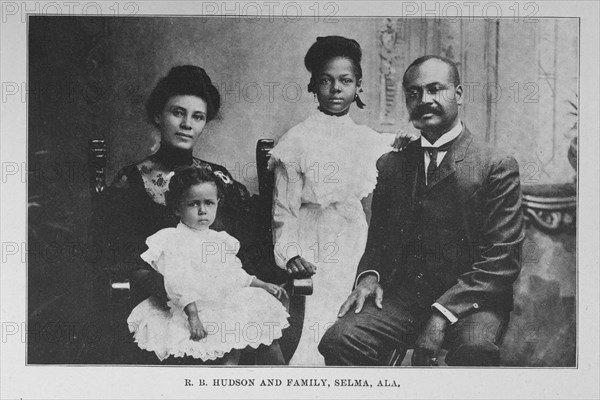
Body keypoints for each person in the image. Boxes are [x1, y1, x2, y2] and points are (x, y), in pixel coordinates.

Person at [318, 55, 524, 366]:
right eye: (413, 93)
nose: (424, 100)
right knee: (339, 341)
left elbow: (502, 259)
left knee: (475, 350)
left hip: (472, 302)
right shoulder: (392, 164)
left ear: (459, 93)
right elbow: (379, 241)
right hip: (404, 300)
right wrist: (369, 277)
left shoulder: (495, 165)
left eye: (435, 89)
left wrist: (442, 315)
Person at [91, 65, 267, 363]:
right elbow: (118, 256)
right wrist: (174, 294)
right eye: (178, 113)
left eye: (197, 117)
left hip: (219, 300)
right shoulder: (132, 180)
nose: (187, 124)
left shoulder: (218, 179)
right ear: (158, 116)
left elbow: (246, 247)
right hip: (160, 302)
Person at [269, 36, 409, 365]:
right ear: (313, 86)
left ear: (358, 87)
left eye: (345, 81)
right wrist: (291, 255)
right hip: (311, 242)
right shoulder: (296, 141)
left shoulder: (367, 140)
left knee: (359, 315)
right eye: (326, 81)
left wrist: (409, 145)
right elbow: (283, 213)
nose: (336, 89)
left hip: (355, 241)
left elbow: (400, 152)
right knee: (317, 327)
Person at [127, 166, 289, 364]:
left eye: (209, 203)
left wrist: (261, 284)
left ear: (217, 204)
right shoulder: (172, 239)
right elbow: (176, 281)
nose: (203, 210)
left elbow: (232, 273)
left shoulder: (219, 239)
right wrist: (193, 315)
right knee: (225, 347)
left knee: (264, 335)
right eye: (194, 204)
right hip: (193, 308)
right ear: (178, 208)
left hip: (225, 302)